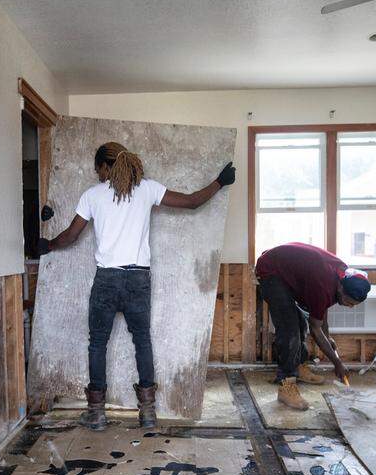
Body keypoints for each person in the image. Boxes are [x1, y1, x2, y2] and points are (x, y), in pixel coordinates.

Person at [39, 142, 235, 430]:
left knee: (97, 343)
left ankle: (96, 414)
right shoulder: (147, 189)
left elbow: (70, 236)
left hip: (107, 279)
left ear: (105, 167)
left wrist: (48, 245)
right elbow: (192, 202)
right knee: (142, 341)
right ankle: (147, 413)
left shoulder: (93, 195)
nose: (97, 176)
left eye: (98, 170)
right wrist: (220, 182)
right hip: (138, 279)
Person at [254, 242, 370, 410]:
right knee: (289, 330)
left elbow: (321, 311)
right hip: (271, 271)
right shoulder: (323, 284)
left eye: (354, 304)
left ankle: (298, 366)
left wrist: (328, 336)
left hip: (287, 270)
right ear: (340, 288)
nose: (349, 306)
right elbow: (316, 327)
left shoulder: (342, 275)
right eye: (348, 301)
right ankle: (286, 386)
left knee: (300, 322)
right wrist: (336, 362)